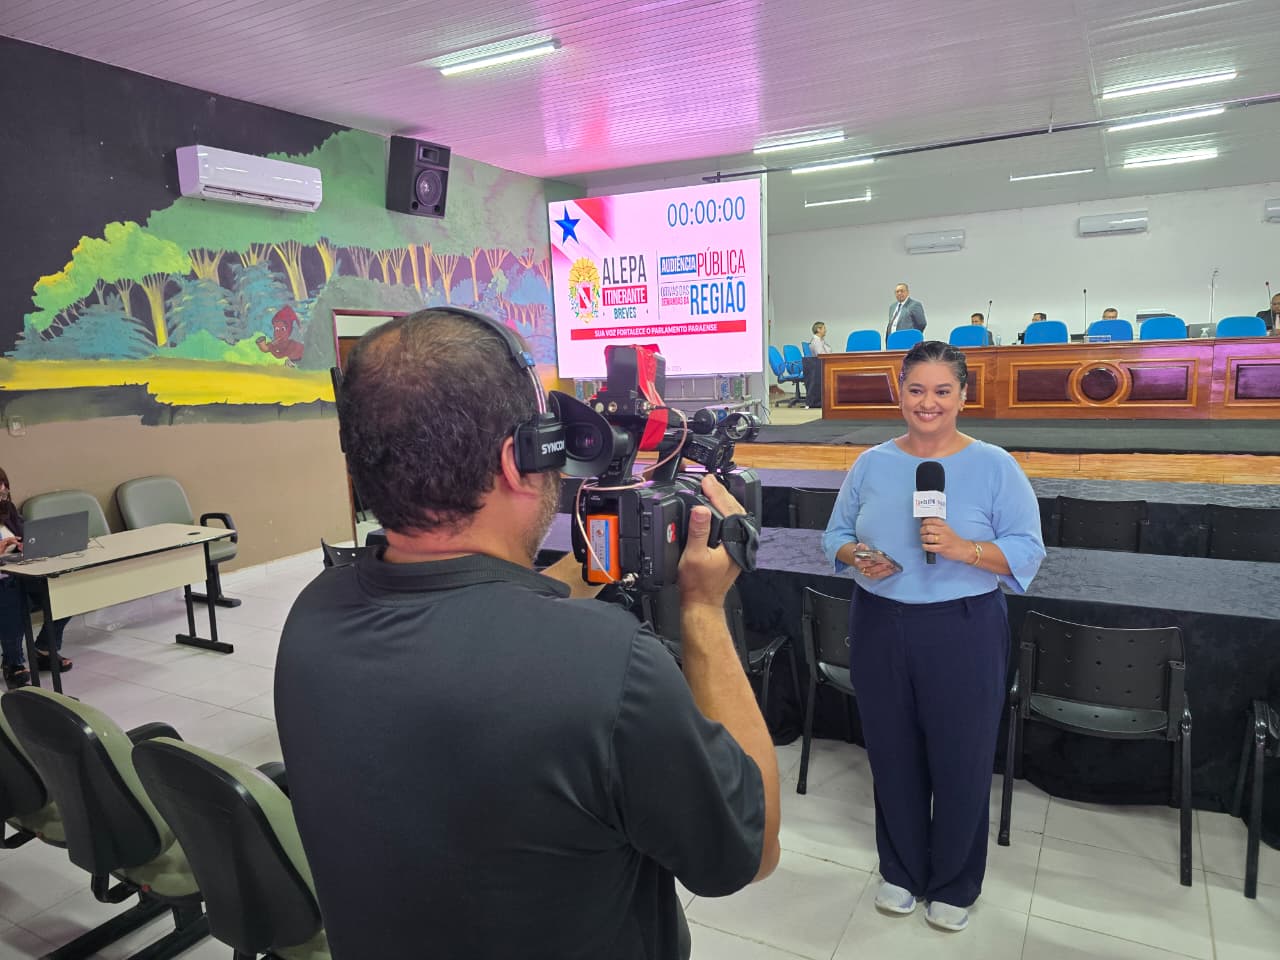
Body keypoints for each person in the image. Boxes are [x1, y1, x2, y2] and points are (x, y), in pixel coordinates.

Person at [275, 308, 779, 960]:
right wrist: (705, 609)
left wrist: (603, 556)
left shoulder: (314, 615)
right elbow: (751, 846)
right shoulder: (608, 666)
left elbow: (478, 631)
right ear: (518, 460)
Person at [821, 340, 1044, 933]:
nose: (928, 403)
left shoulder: (995, 465)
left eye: (942, 391)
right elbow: (835, 534)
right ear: (900, 393)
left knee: (961, 760)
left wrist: (964, 548)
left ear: (963, 396)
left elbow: (1027, 550)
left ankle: (953, 882)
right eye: (916, 389)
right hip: (879, 624)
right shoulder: (870, 462)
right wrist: (857, 554)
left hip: (963, 629)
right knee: (891, 755)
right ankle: (900, 871)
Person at [0, 468, 72, 688]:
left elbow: (27, 535)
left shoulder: (8, 510)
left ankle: (43, 648)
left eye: (2, 484)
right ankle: (13, 663)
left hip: (20, 571)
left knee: (64, 591)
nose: (2, 489)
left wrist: (25, 544)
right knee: (10, 596)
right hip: (4, 581)